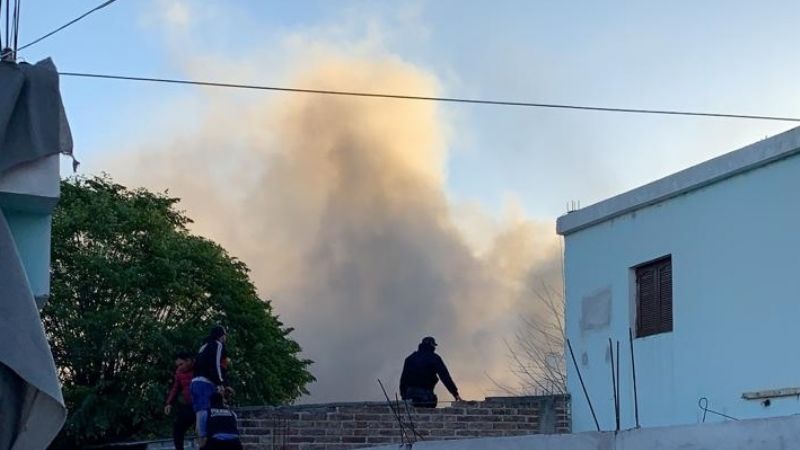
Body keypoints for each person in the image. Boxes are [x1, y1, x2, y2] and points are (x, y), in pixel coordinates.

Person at [400, 336, 462, 408]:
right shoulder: (434, 358)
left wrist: (404, 397)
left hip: (410, 396)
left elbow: (403, 381)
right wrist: (455, 393)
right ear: (432, 345)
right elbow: (445, 376)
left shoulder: (409, 359)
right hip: (425, 397)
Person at [191, 326, 229, 437]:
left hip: (195, 383)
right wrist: (220, 383)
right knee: (206, 412)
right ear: (221, 335)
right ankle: (205, 440)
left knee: (200, 413)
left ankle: (200, 440)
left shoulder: (203, 346)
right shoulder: (217, 345)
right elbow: (215, 364)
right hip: (205, 383)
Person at [164, 352, 195, 450]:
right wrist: (169, 403)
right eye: (178, 365)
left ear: (189, 361)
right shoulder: (179, 372)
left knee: (204, 430)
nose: (180, 367)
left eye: (181, 364)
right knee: (177, 427)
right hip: (189, 405)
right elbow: (175, 388)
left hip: (203, 404)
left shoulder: (199, 367)